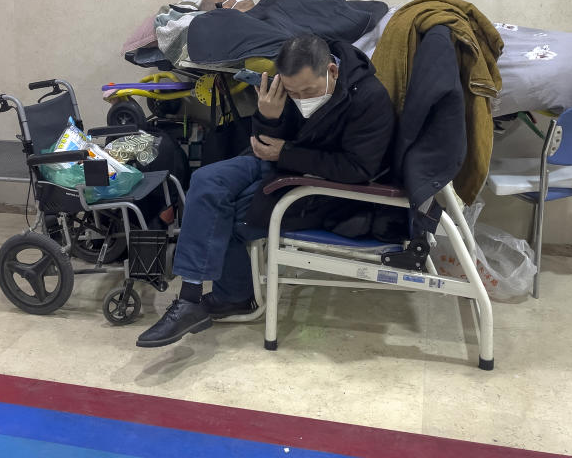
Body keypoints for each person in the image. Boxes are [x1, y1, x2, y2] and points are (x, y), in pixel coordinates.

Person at [136, 34, 395, 348]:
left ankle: (233, 296)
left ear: (333, 71)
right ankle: (190, 297)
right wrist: (268, 118)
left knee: (225, 215)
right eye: (293, 91)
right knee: (206, 181)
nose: (301, 98)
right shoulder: (286, 87)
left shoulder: (370, 98)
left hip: (320, 185)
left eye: (308, 91)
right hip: (278, 164)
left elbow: (359, 169)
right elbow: (264, 143)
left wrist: (285, 153)